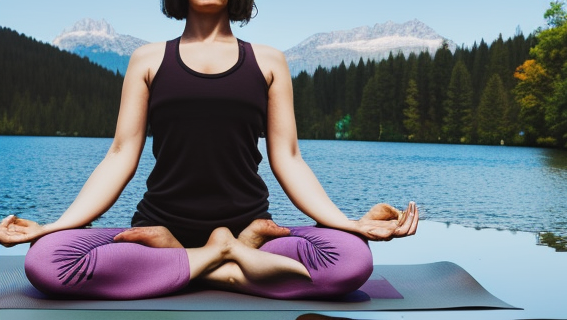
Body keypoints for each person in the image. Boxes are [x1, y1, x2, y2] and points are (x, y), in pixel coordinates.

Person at [0, 0, 418, 300]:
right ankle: (226, 257)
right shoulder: (147, 60)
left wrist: (346, 224)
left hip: (253, 230)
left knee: (352, 260)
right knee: (45, 261)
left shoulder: (269, 62)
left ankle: (189, 260)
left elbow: (289, 160)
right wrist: (53, 227)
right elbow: (119, 157)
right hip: (155, 231)